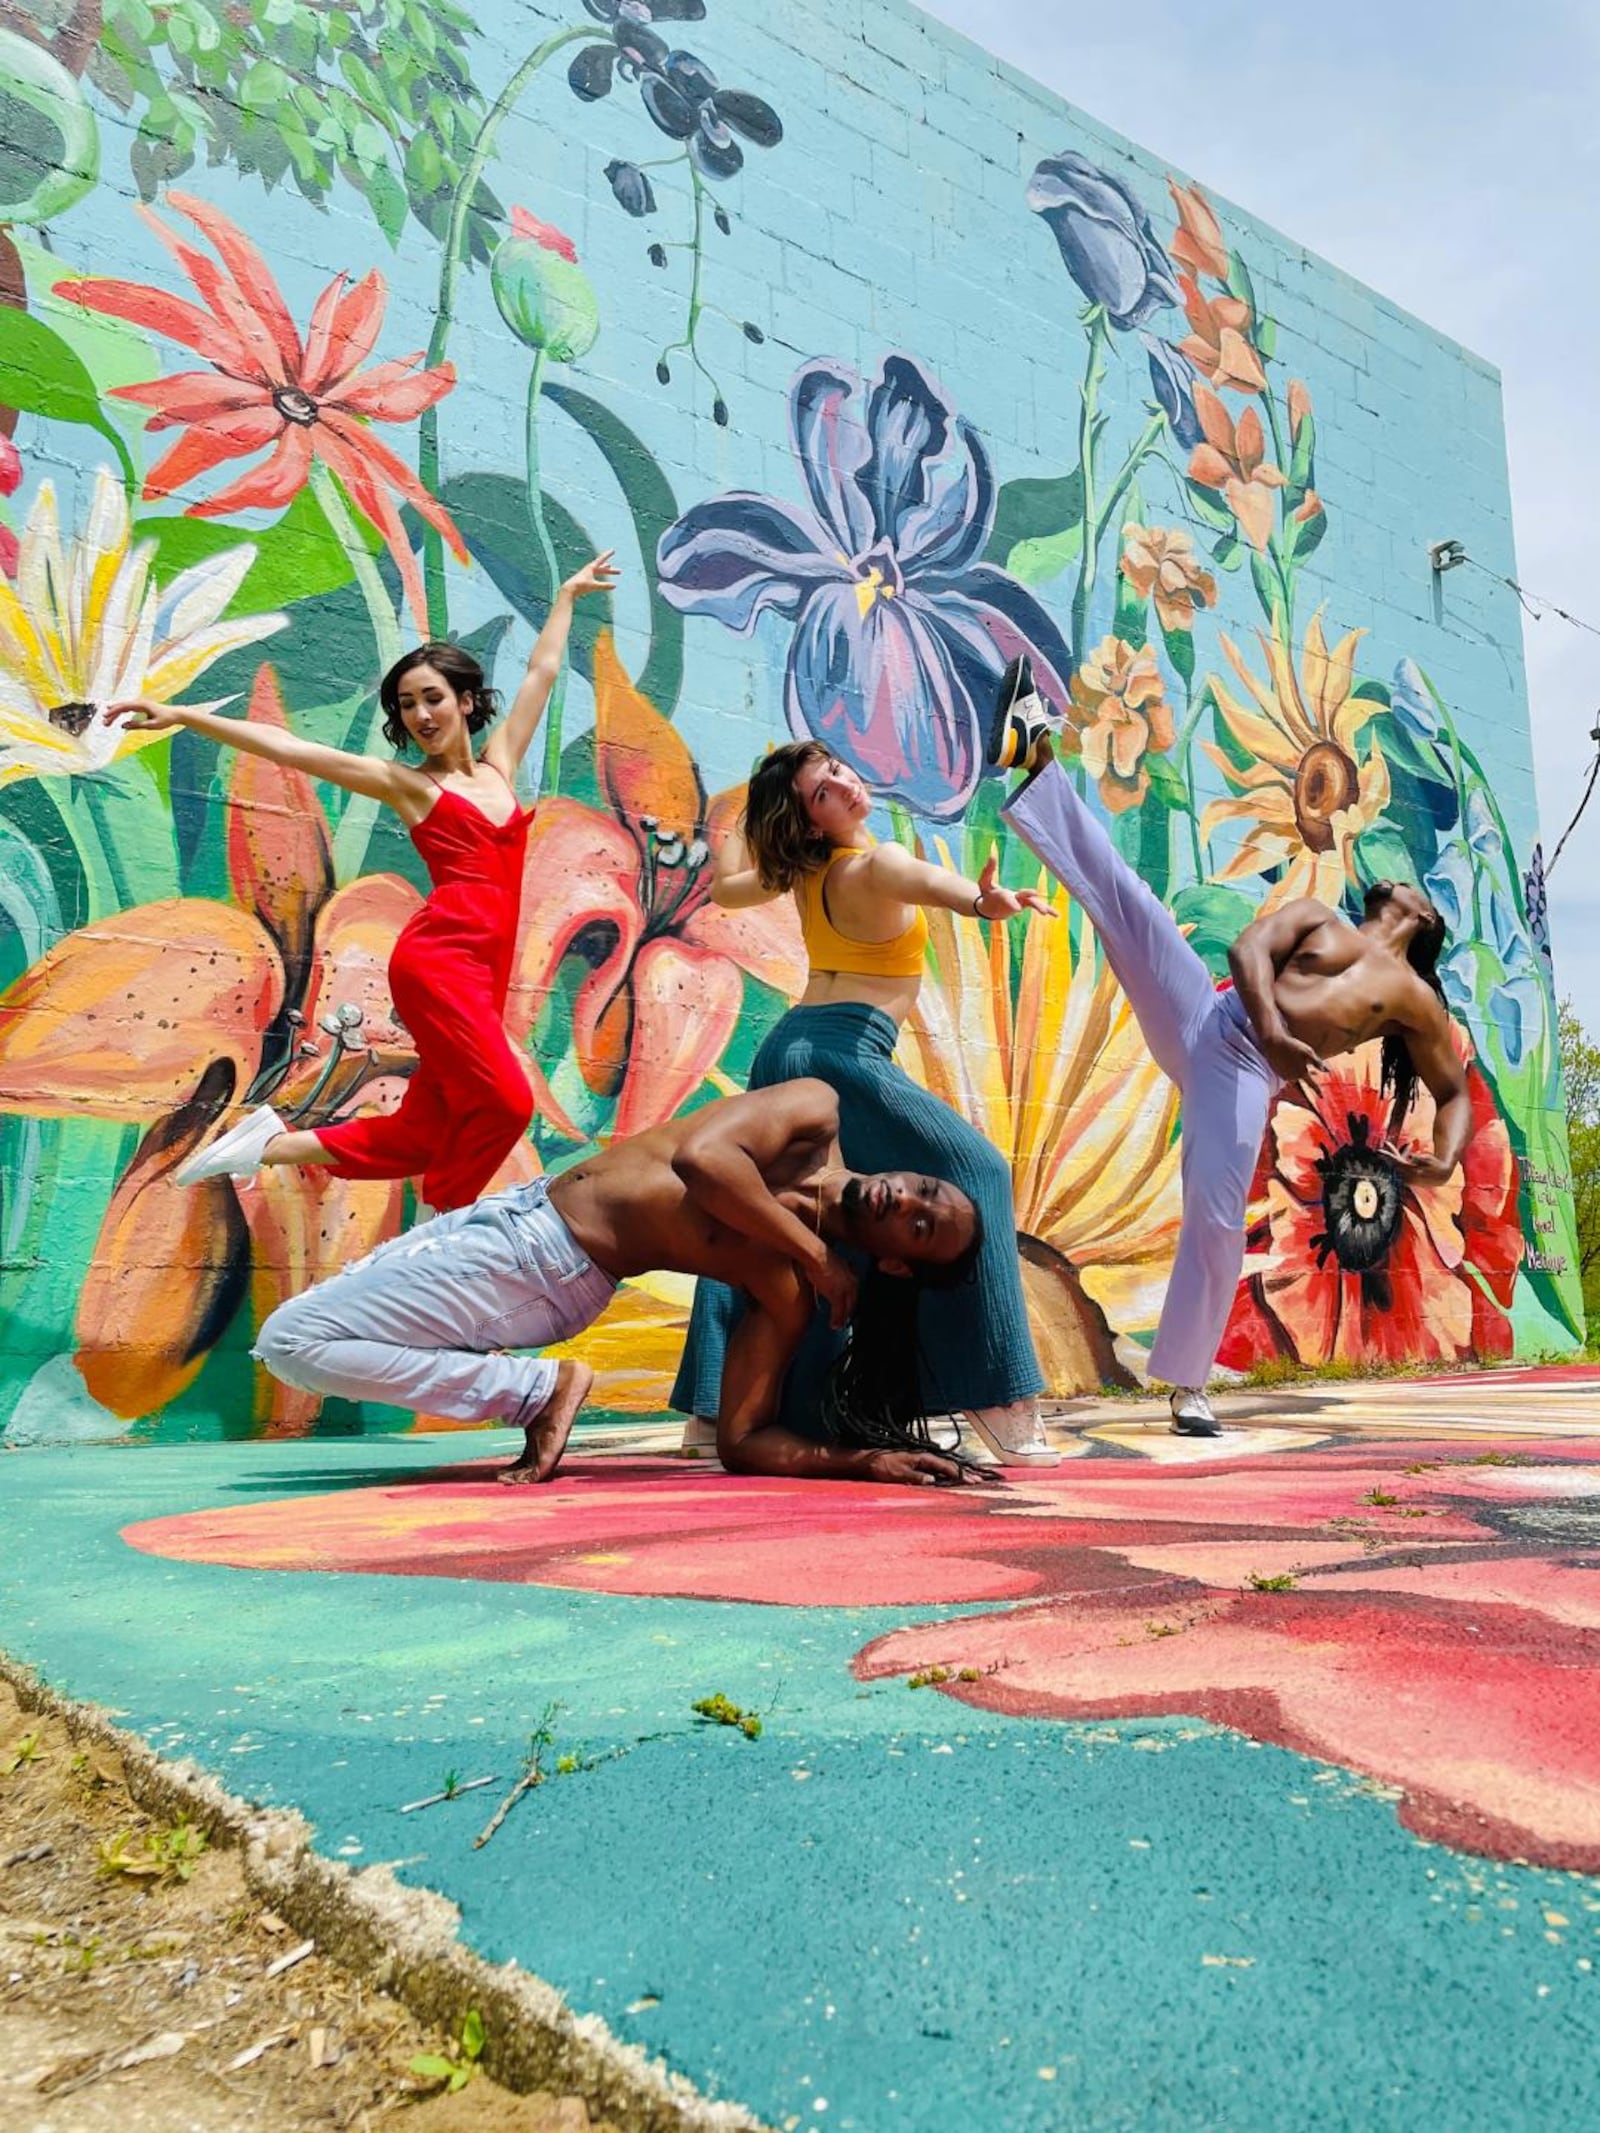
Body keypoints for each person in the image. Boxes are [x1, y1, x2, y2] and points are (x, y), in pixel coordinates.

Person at [989, 656, 1470, 1436]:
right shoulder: (1322, 918)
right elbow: (1247, 952)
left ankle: (1186, 1385)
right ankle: (1034, 753)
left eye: (1410, 887)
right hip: (1218, 1019)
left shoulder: (1412, 1000)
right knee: (1130, 902)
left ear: (1422, 922)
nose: (1397, 882)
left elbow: (1453, 1095)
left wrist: (1445, 1157)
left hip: (1244, 1073)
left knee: (1215, 1218)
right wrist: (1277, 1029)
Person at [103, 553, 619, 1213]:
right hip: (439, 964)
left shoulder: (500, 768)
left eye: (432, 698)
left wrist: (568, 597)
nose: (420, 715)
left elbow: (542, 675)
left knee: (420, 1133)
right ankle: (449, 1231)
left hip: (483, 974)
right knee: (508, 1101)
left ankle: (268, 1143)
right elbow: (294, 751)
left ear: (465, 701)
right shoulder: (409, 785)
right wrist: (185, 716)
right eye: (407, 706)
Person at [252, 1078, 994, 1489]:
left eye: (922, 1227)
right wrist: (815, 1250)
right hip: (513, 1220)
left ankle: (536, 1394)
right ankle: (531, 1391)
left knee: (291, 1339)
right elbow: (705, 1158)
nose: (908, 1200)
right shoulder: (812, 1113)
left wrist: (864, 1460)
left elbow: (742, 1439)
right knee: (316, 1333)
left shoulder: (783, 1285)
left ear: (897, 1262)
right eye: (925, 1188)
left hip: (545, 1260)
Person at [669, 742, 1062, 1469]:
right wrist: (984, 901)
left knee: (763, 1211)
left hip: (787, 1047)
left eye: (841, 772)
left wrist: (748, 813)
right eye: (822, 792)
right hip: (839, 1053)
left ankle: (710, 1405)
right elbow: (925, 881)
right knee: (978, 1170)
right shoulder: (869, 862)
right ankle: (1000, 1396)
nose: (847, 787)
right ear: (811, 820)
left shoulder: (800, 869)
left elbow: (724, 888)